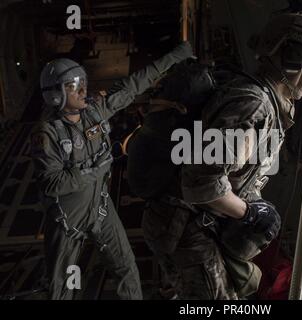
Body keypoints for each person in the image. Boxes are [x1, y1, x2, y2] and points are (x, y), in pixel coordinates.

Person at [137, 13, 302, 300]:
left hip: (190, 225)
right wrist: (251, 213)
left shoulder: (262, 102)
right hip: (186, 230)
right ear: (292, 58)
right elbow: (202, 185)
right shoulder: (251, 105)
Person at [30, 42, 194, 300]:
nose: (83, 89)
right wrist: (98, 168)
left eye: (82, 82)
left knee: (127, 269)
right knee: (62, 290)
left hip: (101, 210)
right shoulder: (47, 134)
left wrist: (175, 56)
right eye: (74, 86)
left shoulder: (95, 112)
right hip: (67, 223)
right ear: (56, 95)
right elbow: (52, 183)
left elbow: (134, 85)